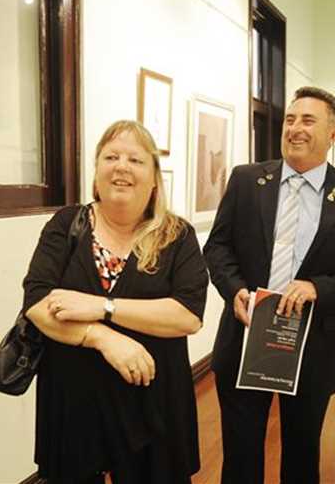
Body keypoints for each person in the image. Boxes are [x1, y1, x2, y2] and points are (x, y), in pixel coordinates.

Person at [203, 86, 335, 483]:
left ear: (334, 134)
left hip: (313, 345)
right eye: (290, 119)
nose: (295, 128)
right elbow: (217, 247)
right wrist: (234, 289)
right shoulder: (247, 180)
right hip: (245, 337)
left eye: (308, 120)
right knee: (240, 453)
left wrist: (319, 288)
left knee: (303, 453)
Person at [23, 121, 209, 483]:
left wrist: (102, 306)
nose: (121, 166)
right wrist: (103, 337)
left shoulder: (177, 235)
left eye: (135, 160)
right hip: (74, 401)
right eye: (111, 156)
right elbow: (37, 302)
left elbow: (187, 315)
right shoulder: (66, 225)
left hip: (152, 401)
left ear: (154, 178)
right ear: (96, 173)